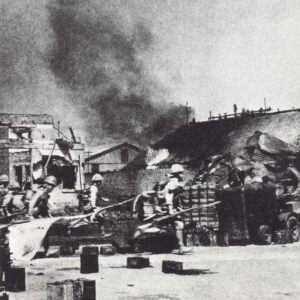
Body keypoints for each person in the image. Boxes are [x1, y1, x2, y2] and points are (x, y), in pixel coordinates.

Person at [151, 164, 192, 254]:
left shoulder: (175, 181)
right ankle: (180, 247)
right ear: (177, 174)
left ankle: (180, 247)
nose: (183, 174)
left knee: (176, 224)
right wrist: (170, 209)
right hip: (167, 207)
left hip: (171, 207)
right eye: (181, 173)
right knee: (178, 224)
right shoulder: (174, 183)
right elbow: (169, 196)